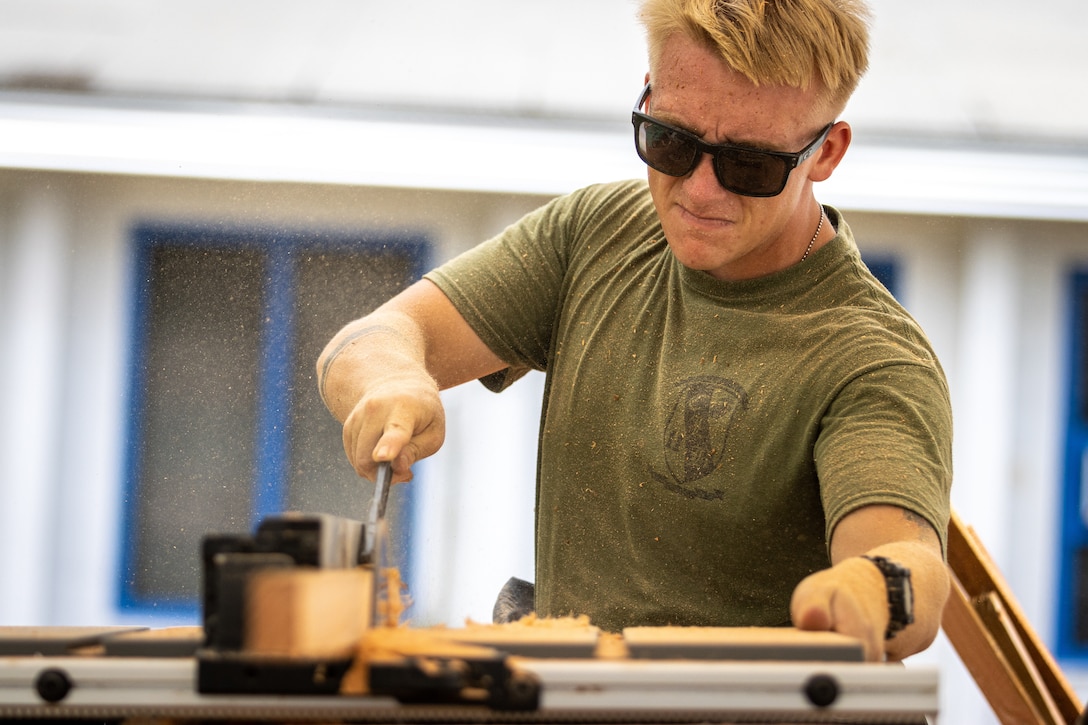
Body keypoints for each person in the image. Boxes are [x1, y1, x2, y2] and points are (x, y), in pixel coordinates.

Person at [317, 0, 952, 663]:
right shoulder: (597, 234)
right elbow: (367, 340)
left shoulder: (869, 356)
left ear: (827, 152)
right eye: (671, 142)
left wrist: (870, 589)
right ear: (646, 97)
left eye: (750, 166)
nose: (700, 191)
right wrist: (392, 381)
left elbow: (909, 568)